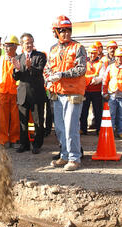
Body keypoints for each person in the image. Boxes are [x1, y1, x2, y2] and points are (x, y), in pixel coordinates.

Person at [46, 15, 87, 171]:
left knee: (71, 128)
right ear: (56, 32)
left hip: (72, 94)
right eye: (62, 31)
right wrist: (48, 78)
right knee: (60, 129)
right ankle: (64, 155)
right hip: (57, 94)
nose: (66, 33)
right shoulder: (53, 49)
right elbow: (48, 68)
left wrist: (62, 74)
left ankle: (74, 158)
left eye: (68, 30)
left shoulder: (78, 48)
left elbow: (81, 69)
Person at [12, 33, 47, 154]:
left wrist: (30, 66)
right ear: (22, 44)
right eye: (27, 43)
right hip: (22, 94)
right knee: (23, 121)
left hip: (36, 94)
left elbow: (39, 71)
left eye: (31, 42)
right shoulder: (18, 58)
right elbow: (16, 77)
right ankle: (24, 144)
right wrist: (16, 70)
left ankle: (37, 144)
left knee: (38, 121)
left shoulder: (40, 56)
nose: (30, 45)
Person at [0, 35, 20, 148]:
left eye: (10, 46)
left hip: (15, 93)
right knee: (2, 119)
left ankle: (15, 139)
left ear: (15, 47)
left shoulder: (19, 59)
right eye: (6, 46)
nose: (7, 48)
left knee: (15, 119)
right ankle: (3, 140)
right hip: (2, 93)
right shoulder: (0, 59)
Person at [80, 44, 104, 135]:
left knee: (98, 111)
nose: (92, 55)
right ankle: (83, 129)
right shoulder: (85, 63)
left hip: (96, 91)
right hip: (86, 90)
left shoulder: (100, 63)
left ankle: (98, 129)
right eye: (90, 53)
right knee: (84, 111)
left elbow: (102, 76)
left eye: (94, 53)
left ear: (97, 53)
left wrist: (96, 80)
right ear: (88, 53)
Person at [102, 47, 122, 139]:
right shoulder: (110, 67)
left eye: (121, 57)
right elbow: (105, 80)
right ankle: (111, 132)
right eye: (118, 57)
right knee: (111, 115)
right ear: (115, 57)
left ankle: (120, 131)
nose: (119, 59)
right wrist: (104, 93)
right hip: (112, 95)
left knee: (121, 116)